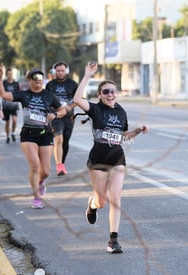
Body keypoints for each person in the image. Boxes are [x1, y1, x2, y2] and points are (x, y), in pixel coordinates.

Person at [73, 62, 149, 254]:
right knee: (102, 201)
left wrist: (138, 131)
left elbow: (123, 136)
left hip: (117, 158)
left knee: (115, 198)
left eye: (113, 91)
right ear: (100, 94)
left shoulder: (121, 111)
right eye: (106, 92)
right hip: (98, 160)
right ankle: (91, 206)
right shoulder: (95, 109)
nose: (110, 95)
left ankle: (113, 240)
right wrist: (87, 75)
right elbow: (76, 98)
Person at [0, 66, 66, 209]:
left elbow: (62, 110)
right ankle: (36, 198)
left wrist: (55, 115)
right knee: (35, 165)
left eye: (40, 77)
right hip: (28, 134)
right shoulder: (24, 95)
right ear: (29, 80)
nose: (38, 80)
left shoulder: (49, 96)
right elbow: (3, 94)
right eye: (34, 78)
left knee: (45, 171)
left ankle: (40, 183)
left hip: (45, 134)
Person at [45, 61, 78, 176]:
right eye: (58, 71)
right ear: (55, 72)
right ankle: (59, 165)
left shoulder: (73, 84)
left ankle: (62, 163)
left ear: (66, 71)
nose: (60, 73)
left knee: (66, 141)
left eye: (62, 70)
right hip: (56, 115)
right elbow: (47, 100)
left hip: (69, 116)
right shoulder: (50, 85)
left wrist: (70, 107)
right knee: (58, 139)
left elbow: (78, 99)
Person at [2, 68, 21, 144]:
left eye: (11, 74)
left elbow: (18, 93)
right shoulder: (4, 83)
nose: (10, 75)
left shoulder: (16, 83)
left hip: (14, 105)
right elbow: (1, 93)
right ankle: (7, 136)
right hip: (6, 105)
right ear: (6, 75)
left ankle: (12, 132)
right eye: (8, 74)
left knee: (14, 120)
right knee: (7, 122)